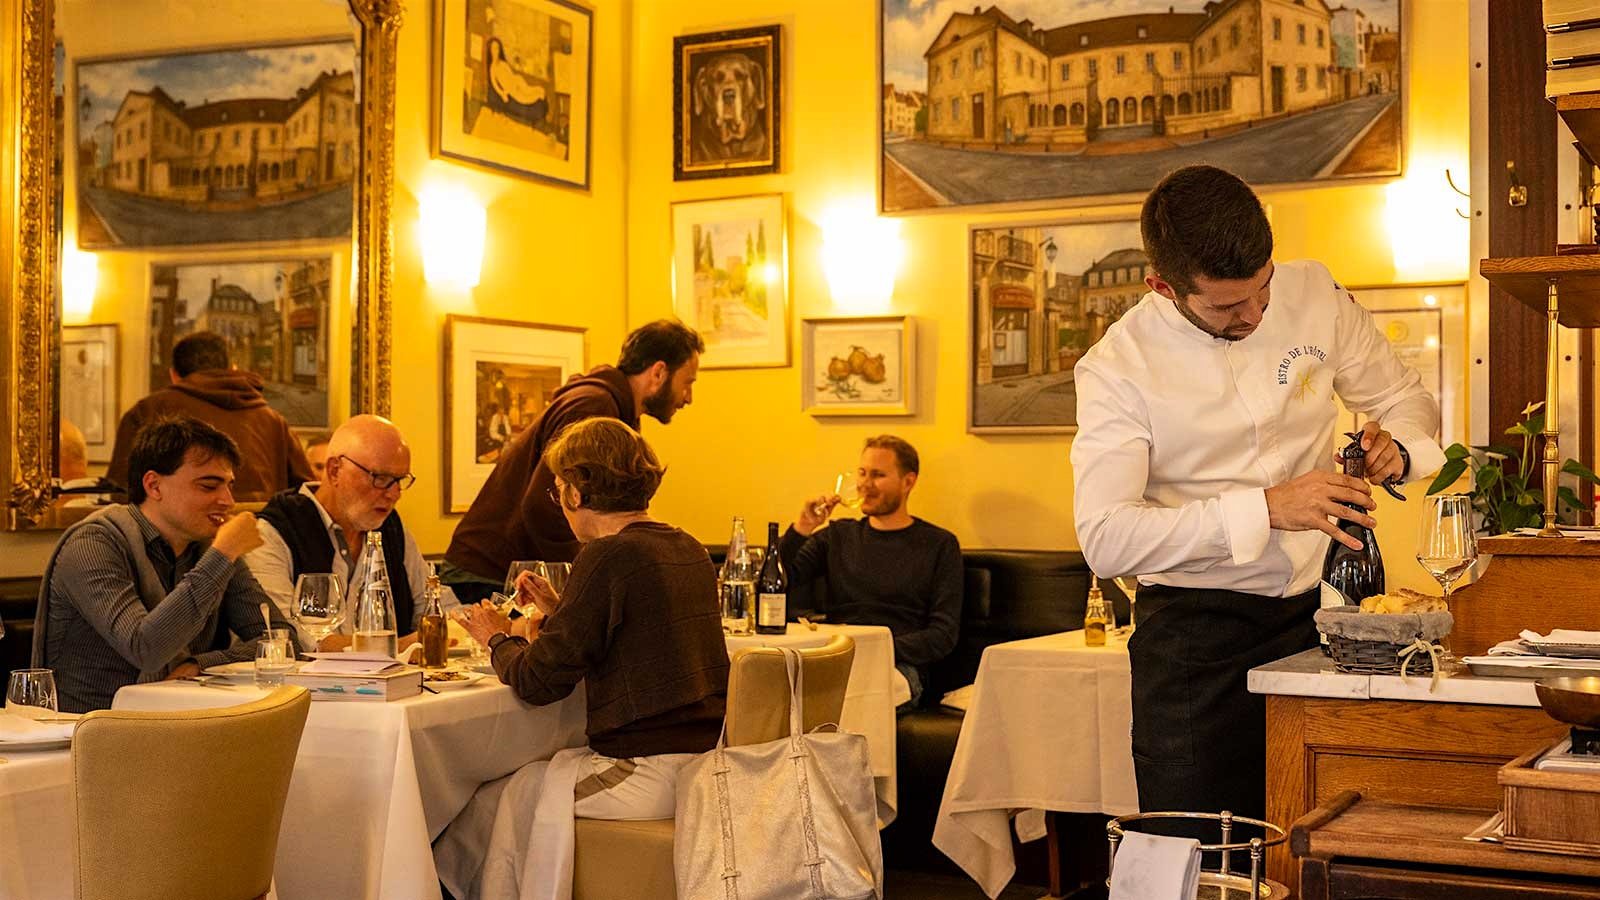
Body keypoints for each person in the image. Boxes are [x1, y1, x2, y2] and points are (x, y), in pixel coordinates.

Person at [1069, 165, 1446, 832]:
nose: (1256, 314)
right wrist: (1267, 508)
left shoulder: (1314, 294)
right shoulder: (1117, 367)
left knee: (1325, 831)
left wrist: (1402, 447)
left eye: (1262, 290)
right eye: (1226, 307)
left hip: (1323, 621)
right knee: (1195, 852)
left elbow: (1403, 397)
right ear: (1162, 286)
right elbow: (1105, 535)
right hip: (1193, 643)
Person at [437, 418, 728, 899]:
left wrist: (494, 638)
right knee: (515, 787)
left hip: (646, 770)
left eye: (558, 489)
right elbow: (630, 636)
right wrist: (561, 609)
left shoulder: (607, 555)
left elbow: (536, 682)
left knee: (487, 803)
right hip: (703, 763)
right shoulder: (687, 545)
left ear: (575, 490)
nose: (560, 501)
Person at [31, 416, 296, 713]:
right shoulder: (93, 544)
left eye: (229, 486)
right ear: (154, 485)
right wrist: (223, 554)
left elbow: (282, 641)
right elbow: (145, 649)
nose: (228, 500)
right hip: (88, 732)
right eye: (209, 486)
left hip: (180, 722)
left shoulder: (208, 546)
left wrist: (199, 664)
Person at [442, 319, 703, 603]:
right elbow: (545, 503)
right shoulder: (595, 407)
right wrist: (586, 585)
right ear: (659, 372)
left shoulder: (611, 407)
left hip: (505, 570)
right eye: (687, 383)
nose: (688, 398)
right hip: (494, 574)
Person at [782, 435, 962, 712]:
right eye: (862, 473)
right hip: (838, 657)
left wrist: (875, 649)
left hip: (898, 665)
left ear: (908, 482)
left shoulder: (939, 544)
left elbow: (942, 634)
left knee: (850, 704)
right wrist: (802, 528)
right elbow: (778, 583)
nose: (865, 484)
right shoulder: (836, 536)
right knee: (784, 698)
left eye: (878, 475)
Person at [248, 415, 454, 652]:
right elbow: (285, 636)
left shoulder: (391, 529)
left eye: (400, 480)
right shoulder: (273, 533)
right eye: (381, 478)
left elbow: (435, 606)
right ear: (335, 471)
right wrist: (395, 647)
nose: (394, 494)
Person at [105, 332, 313, 502]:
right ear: (231, 369)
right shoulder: (274, 421)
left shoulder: (147, 412)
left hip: (173, 548)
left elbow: (121, 494)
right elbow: (305, 495)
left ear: (174, 375)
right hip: (259, 542)